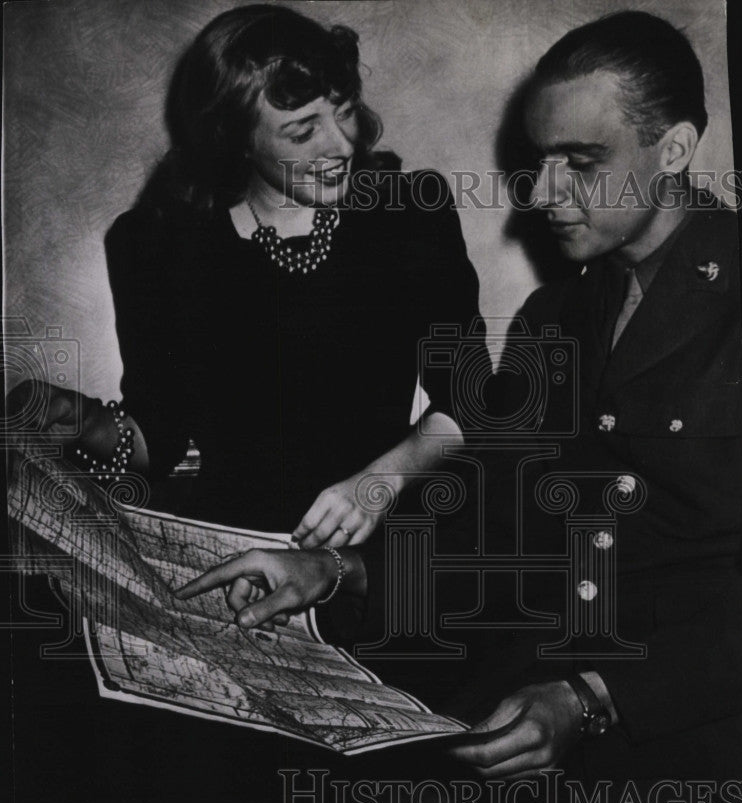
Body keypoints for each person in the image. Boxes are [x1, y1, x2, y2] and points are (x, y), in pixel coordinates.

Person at [178, 10, 742, 803]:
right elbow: (486, 529)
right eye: (537, 160)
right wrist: (339, 577)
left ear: (673, 151)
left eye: (581, 163)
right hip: (516, 722)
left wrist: (596, 700)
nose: (544, 193)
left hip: (693, 747)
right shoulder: (552, 320)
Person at [8, 3, 481, 549]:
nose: (343, 145)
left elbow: (469, 403)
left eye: (344, 111)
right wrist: (81, 422)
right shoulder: (156, 243)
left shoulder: (408, 214)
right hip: (230, 543)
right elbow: (155, 441)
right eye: (303, 131)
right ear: (233, 138)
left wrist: (376, 485)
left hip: (376, 549)